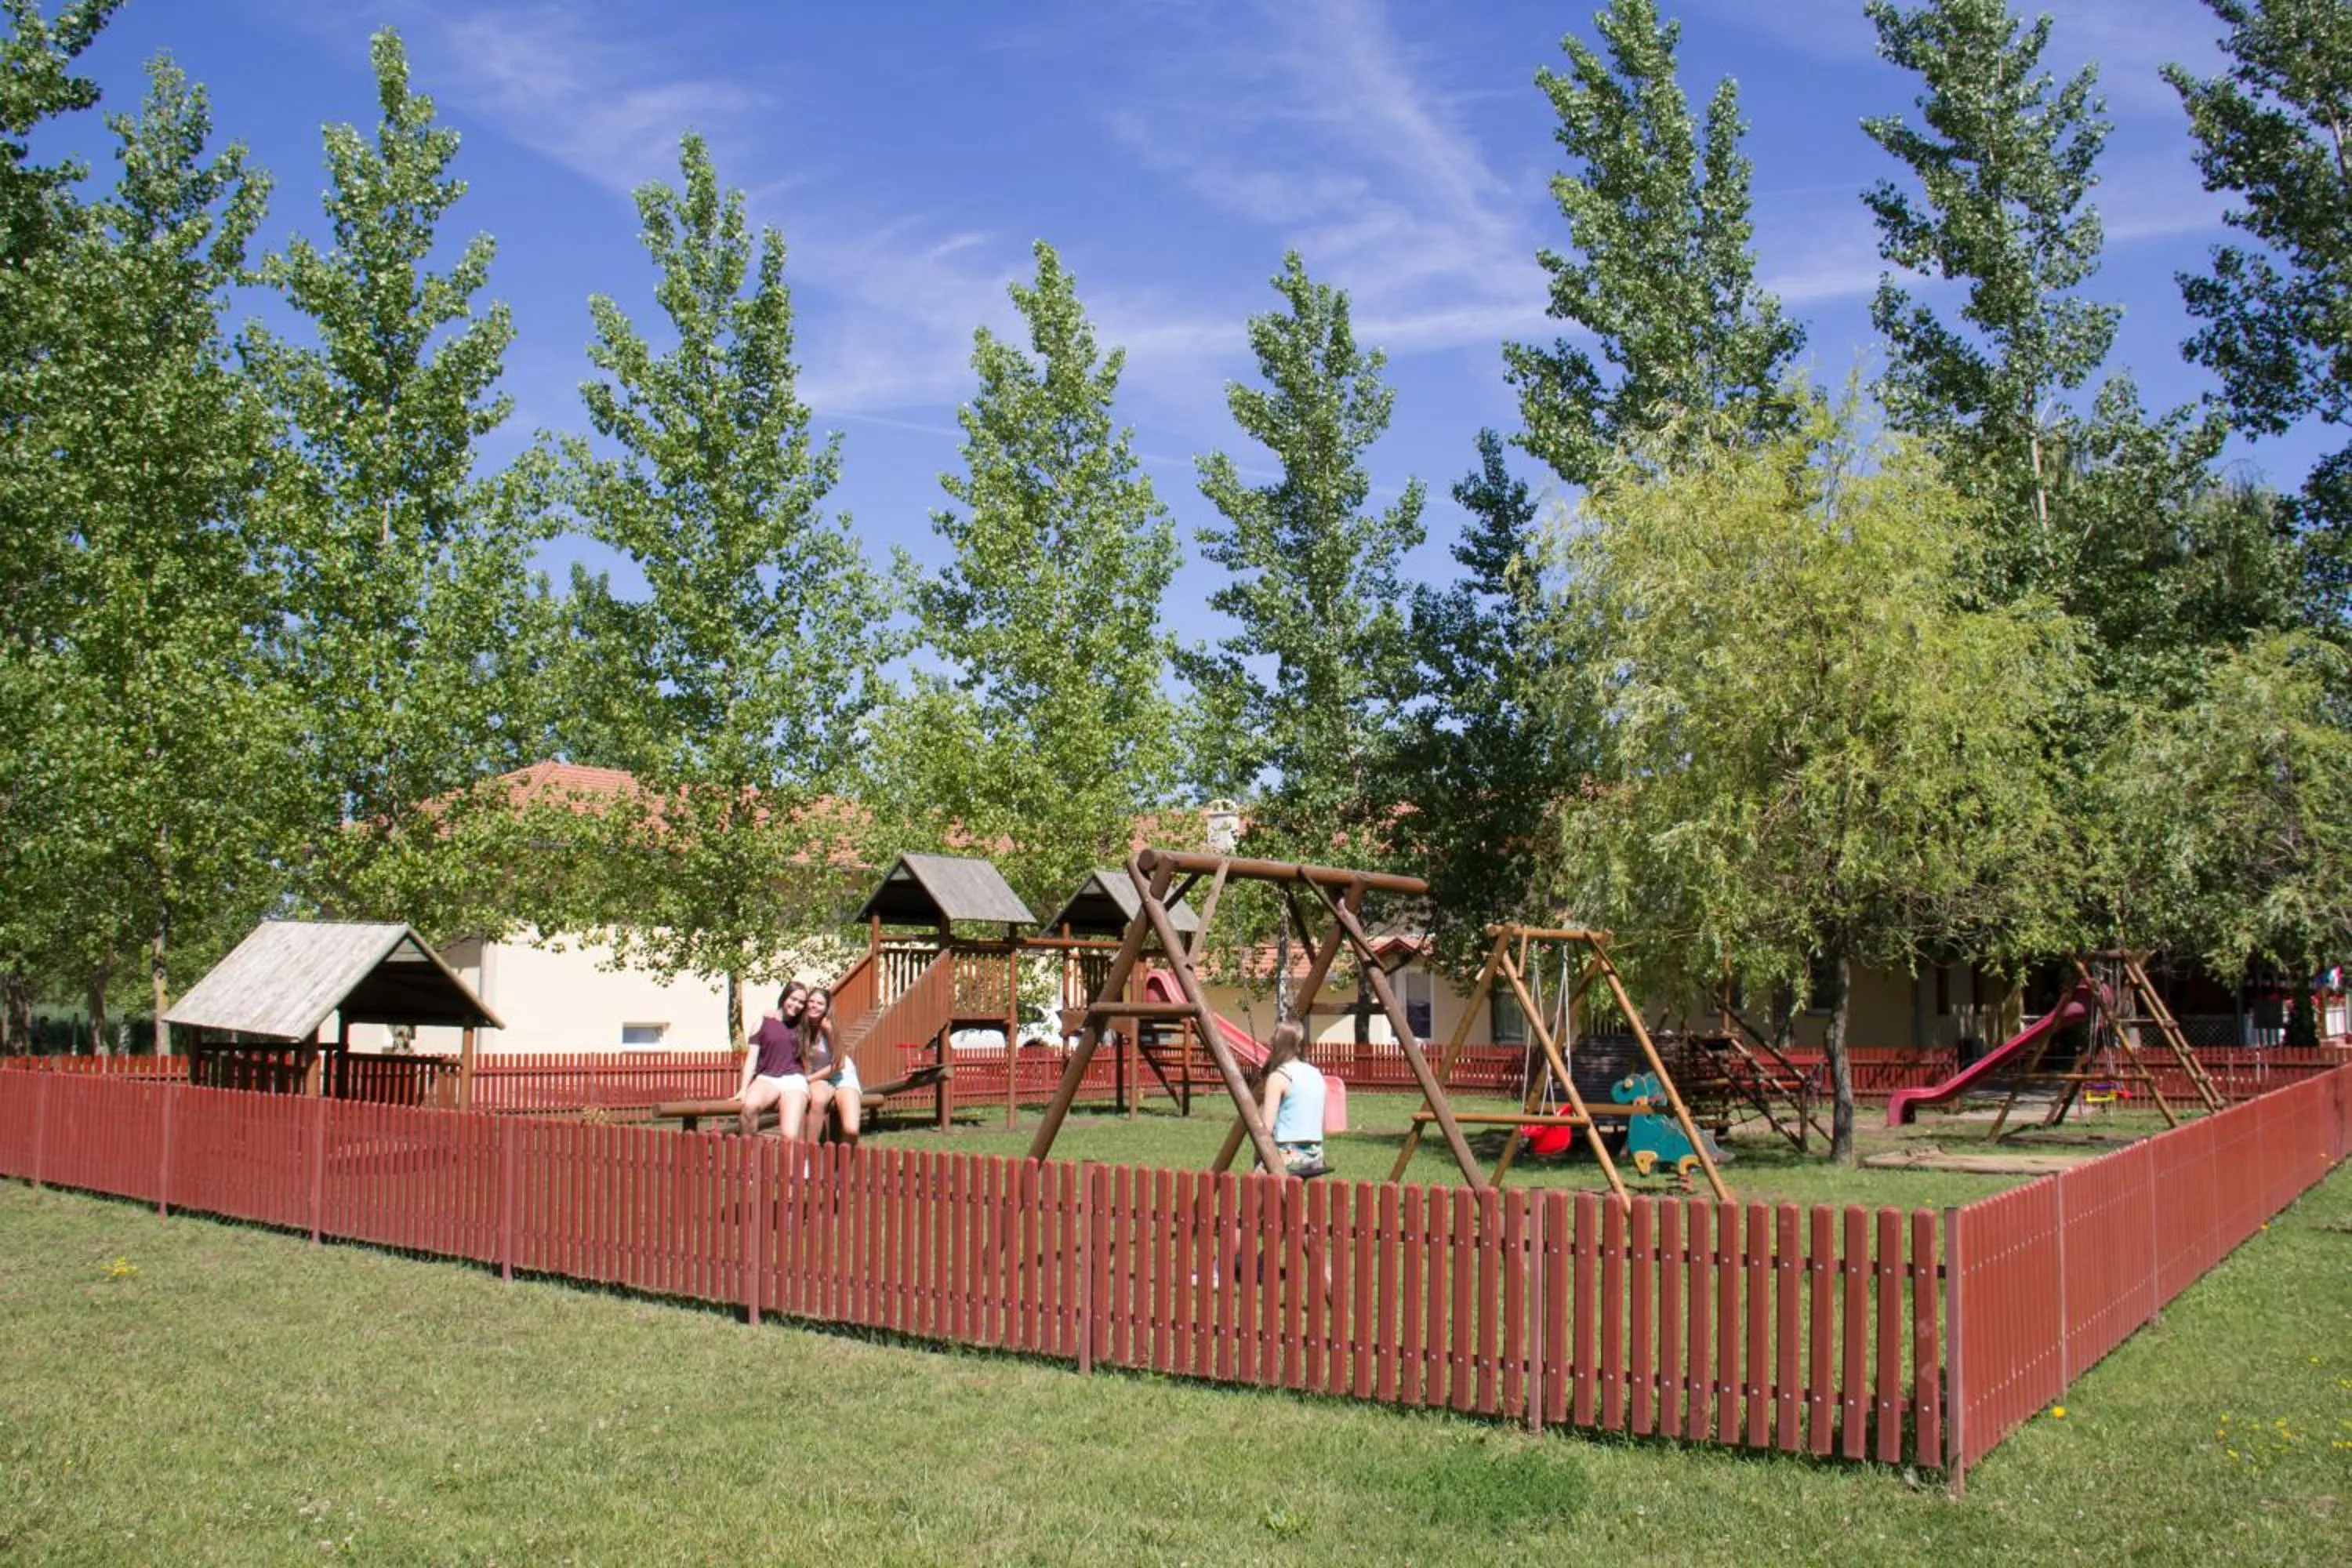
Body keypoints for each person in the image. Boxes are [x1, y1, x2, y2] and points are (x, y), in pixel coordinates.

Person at [739, 982, 811, 1140]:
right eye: (793, 999)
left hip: (794, 1080)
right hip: (767, 1078)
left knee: (790, 1134)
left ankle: (798, 1164)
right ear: (784, 996)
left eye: (801, 1002)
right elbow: (752, 1059)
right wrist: (743, 1088)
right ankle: (750, 1158)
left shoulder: (804, 1025)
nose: (796, 1005)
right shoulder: (762, 1022)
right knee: (749, 1108)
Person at [1258, 1020, 1329, 1178]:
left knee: (1255, 1185)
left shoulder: (1279, 1077)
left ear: (1276, 1045)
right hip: (1316, 1155)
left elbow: (1266, 1129)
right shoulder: (1316, 1074)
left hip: (1289, 1154)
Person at [801, 986, 862, 1148]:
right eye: (811, 1001)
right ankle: (809, 1156)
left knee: (851, 1130)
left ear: (827, 1008)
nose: (814, 1006)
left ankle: (842, 1171)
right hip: (820, 1075)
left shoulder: (828, 1027)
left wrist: (809, 1079)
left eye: (820, 1003)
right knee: (818, 1101)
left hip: (841, 1075)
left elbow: (839, 1064)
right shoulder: (803, 1025)